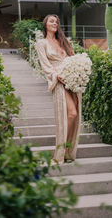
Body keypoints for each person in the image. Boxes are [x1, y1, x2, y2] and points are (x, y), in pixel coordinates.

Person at [35, 14, 82, 165]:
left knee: (75, 115)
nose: (54, 23)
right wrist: (56, 75)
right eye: (51, 21)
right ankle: (61, 151)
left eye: (56, 22)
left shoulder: (63, 41)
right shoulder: (41, 43)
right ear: (45, 24)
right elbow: (45, 65)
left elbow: (73, 58)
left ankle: (68, 150)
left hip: (72, 81)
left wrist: (77, 72)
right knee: (71, 113)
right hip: (59, 80)